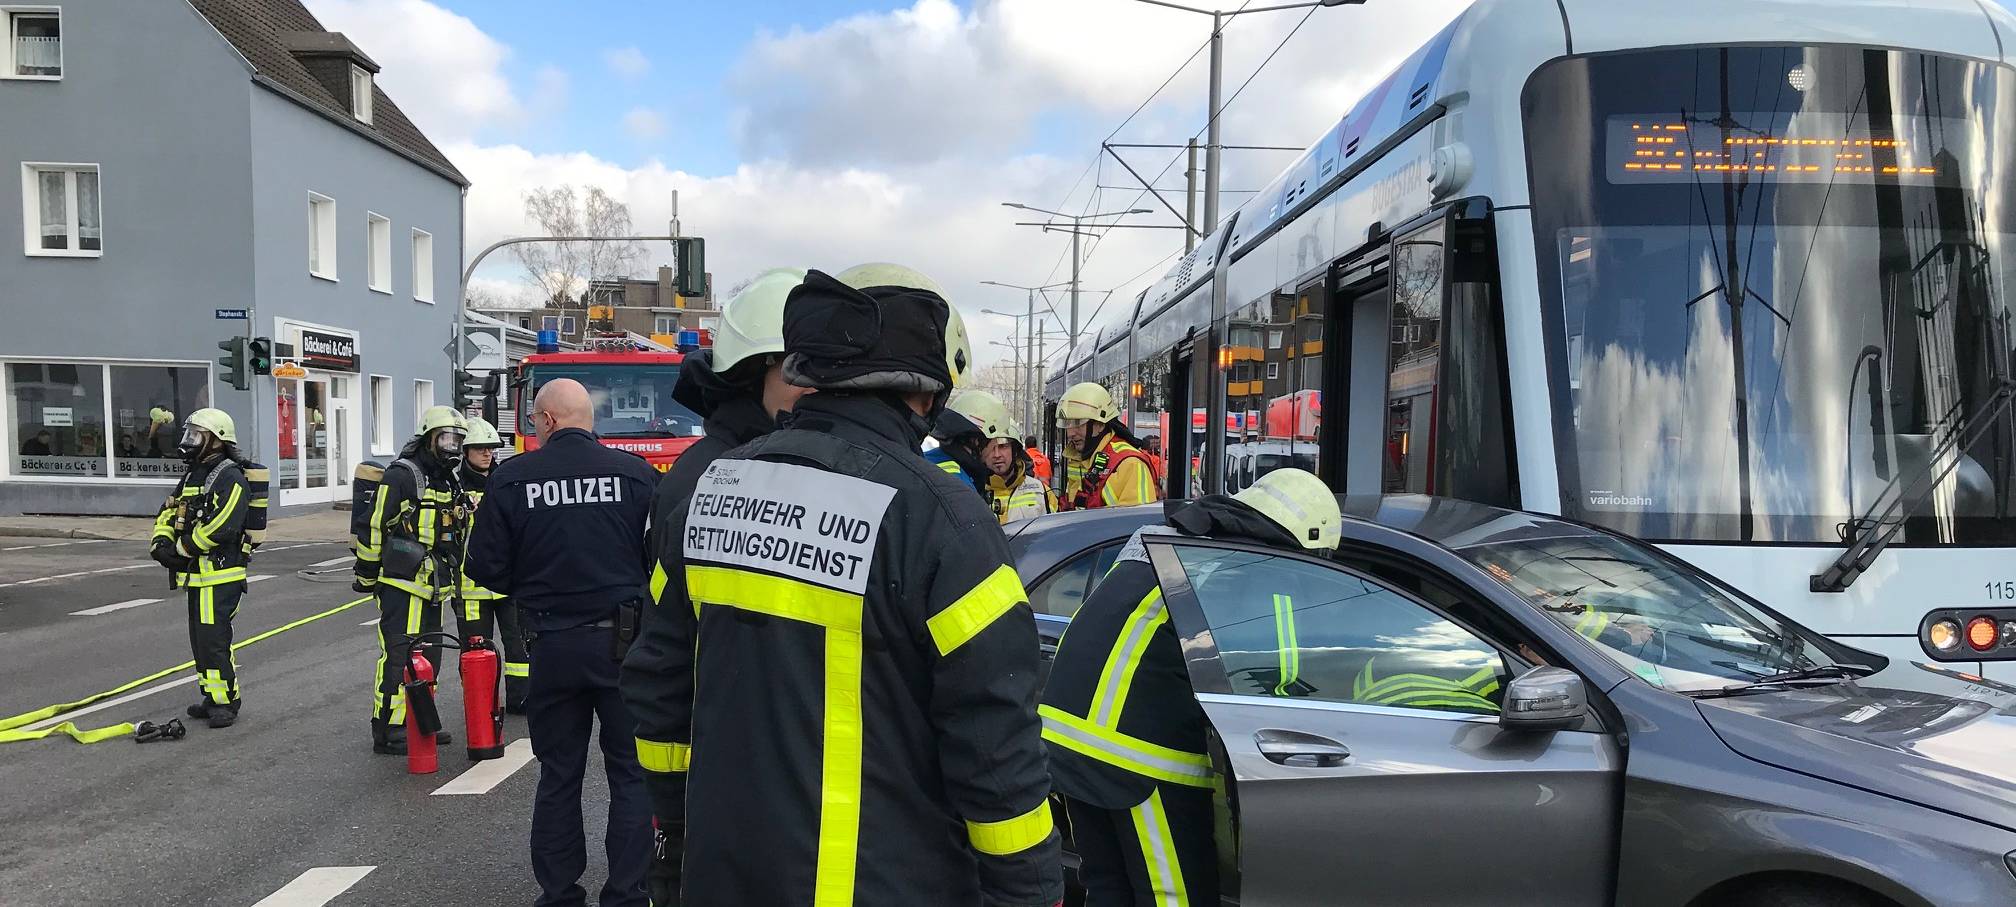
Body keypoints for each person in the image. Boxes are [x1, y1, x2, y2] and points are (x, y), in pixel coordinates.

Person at [621, 263, 1063, 906]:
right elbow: (995, 748)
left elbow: (659, 691)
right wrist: (1029, 892)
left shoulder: (707, 493)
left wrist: (672, 836)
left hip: (721, 879)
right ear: (929, 393)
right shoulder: (944, 521)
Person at [1040, 467, 1342, 907]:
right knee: (1175, 896)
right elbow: (1282, 678)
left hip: (1066, 734)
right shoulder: (1256, 566)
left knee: (1109, 888)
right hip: (1135, 756)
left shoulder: (1169, 536)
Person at [637, 267, 809, 904]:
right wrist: (676, 817)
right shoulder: (714, 478)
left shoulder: (755, 461)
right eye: (797, 370)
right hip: (723, 772)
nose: (814, 389)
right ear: (751, 372)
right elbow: (667, 659)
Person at [466, 378, 657, 907]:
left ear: (548, 420)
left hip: (551, 642)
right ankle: (627, 895)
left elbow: (484, 567)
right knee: (631, 775)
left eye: (534, 420)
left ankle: (559, 894)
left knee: (559, 774)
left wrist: (535, 579)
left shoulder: (511, 479)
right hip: (624, 645)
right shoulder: (637, 475)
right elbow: (660, 559)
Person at [353, 405, 469, 756]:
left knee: (429, 658)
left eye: (458, 441)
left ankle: (420, 722)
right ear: (429, 438)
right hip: (403, 584)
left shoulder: (447, 479)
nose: (452, 447)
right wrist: (367, 574)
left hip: (434, 587)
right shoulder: (402, 475)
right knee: (400, 656)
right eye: (446, 439)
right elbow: (375, 526)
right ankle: (390, 728)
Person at [148, 409, 254, 729]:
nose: (189, 440)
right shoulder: (193, 475)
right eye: (189, 433)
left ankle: (226, 702)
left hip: (220, 576)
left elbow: (223, 526)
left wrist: (182, 549)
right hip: (197, 576)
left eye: (196, 435)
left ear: (217, 440)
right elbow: (169, 511)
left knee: (214, 642)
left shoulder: (230, 476)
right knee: (200, 641)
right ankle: (211, 696)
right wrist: (161, 544)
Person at [454, 417, 529, 711]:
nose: (487, 453)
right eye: (479, 448)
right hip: (470, 588)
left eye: (491, 448)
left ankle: (521, 698)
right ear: (465, 451)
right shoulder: (454, 487)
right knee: (476, 648)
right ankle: (481, 703)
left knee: (518, 645)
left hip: (508, 583)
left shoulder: (506, 483)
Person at [956, 390, 1054, 524]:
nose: (997, 455)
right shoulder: (970, 492)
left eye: (1003, 446)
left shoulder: (1042, 492)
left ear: (1015, 450)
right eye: (990, 448)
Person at [1056, 382, 1158, 510]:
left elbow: (1137, 519)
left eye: (1078, 423)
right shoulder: (1079, 458)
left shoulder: (1130, 465)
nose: (1070, 433)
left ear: (1100, 425)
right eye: (1067, 424)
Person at [923, 393, 990, 492]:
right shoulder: (962, 485)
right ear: (975, 441)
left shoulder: (924, 458)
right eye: (989, 444)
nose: (995, 454)